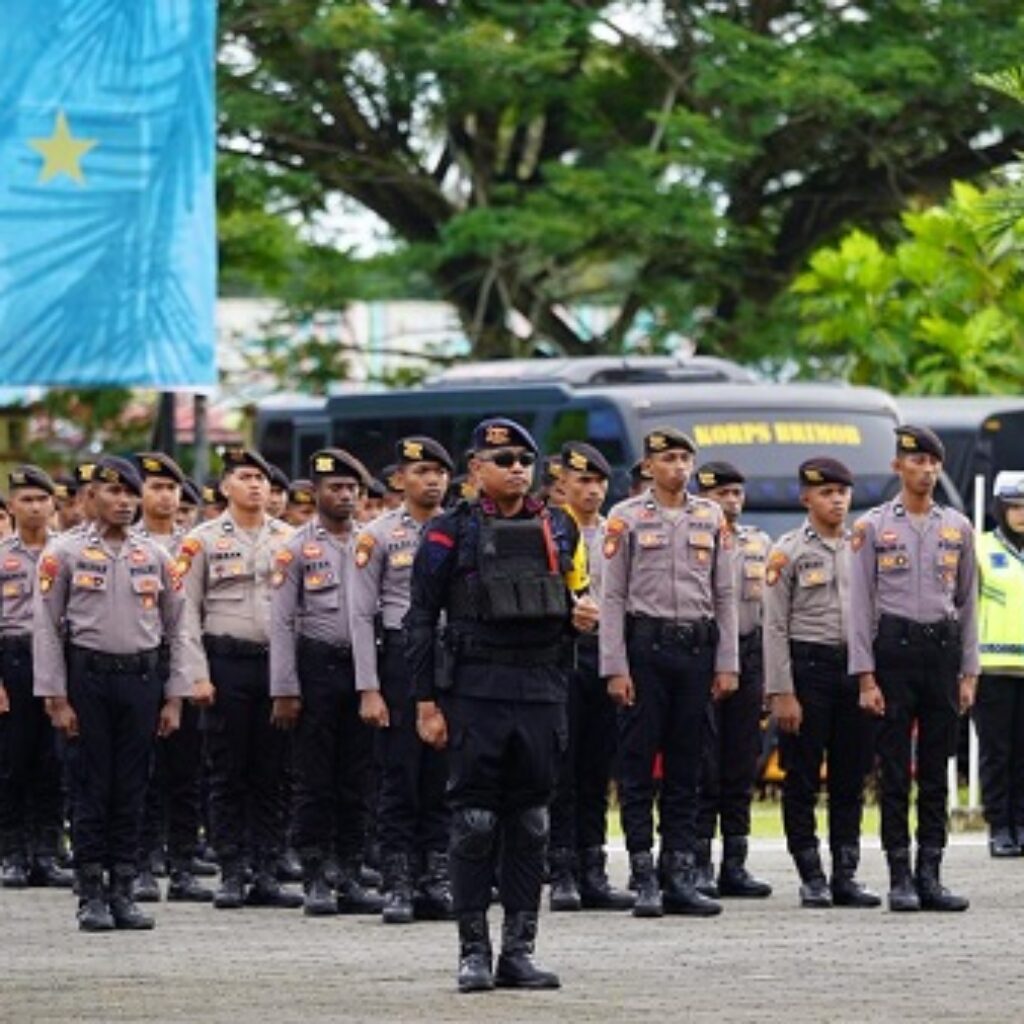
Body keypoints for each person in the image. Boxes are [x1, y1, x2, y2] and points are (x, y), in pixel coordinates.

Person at [405, 417, 598, 993]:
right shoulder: (448, 531)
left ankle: (518, 951)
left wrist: (580, 616)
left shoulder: (561, 527)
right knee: (474, 822)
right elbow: (419, 620)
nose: (517, 469)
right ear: (476, 469)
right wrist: (425, 703)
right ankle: (471, 952)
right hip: (475, 690)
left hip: (541, 688)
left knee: (532, 822)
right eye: (505, 459)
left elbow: (577, 596)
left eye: (525, 460)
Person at [33, 456, 187, 932]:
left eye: (130, 493)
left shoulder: (155, 555)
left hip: (141, 681)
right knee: (90, 788)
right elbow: (46, 627)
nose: (124, 502)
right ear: (90, 496)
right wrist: (55, 697)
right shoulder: (64, 552)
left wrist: (175, 695)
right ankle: (91, 892)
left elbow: (179, 629)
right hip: (88, 680)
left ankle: (123, 887)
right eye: (113, 492)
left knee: (132, 789)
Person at [601, 427, 738, 919]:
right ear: (649, 466)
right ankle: (642, 875)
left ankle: (679, 872)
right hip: (645, 648)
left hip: (696, 648)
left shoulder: (710, 515)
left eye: (685, 458)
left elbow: (725, 593)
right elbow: (611, 596)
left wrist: (727, 662)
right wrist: (614, 667)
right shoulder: (626, 517)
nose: (678, 467)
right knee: (638, 765)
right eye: (668, 459)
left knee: (689, 763)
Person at [850, 425, 978, 912]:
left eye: (932, 462)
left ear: (940, 468)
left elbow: (967, 604)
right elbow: (860, 606)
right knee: (894, 771)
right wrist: (865, 675)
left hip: (941, 653)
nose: (925, 470)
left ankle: (931, 872)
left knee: (935, 770)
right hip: (893, 652)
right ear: (897, 467)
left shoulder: (957, 527)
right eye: (915, 461)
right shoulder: (873, 527)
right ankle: (899, 874)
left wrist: (969, 672)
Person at [180, 448, 301, 910]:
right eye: (245, 477)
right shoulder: (203, 540)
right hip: (225, 663)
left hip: (275, 665)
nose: (256, 486)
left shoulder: (290, 539)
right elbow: (186, 613)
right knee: (227, 772)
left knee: (273, 772)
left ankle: (266, 869)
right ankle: (231, 870)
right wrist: (197, 674)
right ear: (225, 486)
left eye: (263, 479)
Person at [269, 447, 384, 917]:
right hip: (316, 667)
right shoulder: (295, 547)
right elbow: (279, 622)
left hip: (363, 667)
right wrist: (284, 688)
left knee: (358, 777)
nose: (345, 496)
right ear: (314, 492)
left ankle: (351, 872)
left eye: (352, 489)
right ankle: (316, 874)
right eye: (335, 487)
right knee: (314, 779)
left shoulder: (371, 543)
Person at [764, 458, 879, 908]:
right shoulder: (788, 551)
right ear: (805, 498)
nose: (836, 500)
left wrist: (873, 680)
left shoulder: (863, 546)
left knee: (851, 777)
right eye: (826, 492)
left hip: (855, 669)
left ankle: (845, 874)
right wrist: (782, 691)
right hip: (807, 670)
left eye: (842, 492)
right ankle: (810, 873)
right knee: (803, 776)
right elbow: (774, 627)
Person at [351, 437, 454, 924]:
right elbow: (359, 615)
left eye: (439, 471)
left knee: (443, 775)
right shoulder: (376, 535)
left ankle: (435, 877)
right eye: (421, 471)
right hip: (398, 658)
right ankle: (397, 880)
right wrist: (369, 687)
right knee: (400, 773)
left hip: (452, 656)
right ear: (399, 480)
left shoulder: (463, 528)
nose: (431, 480)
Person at [548, 442, 634, 913]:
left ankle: (592, 868)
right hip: (560, 656)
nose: (592, 490)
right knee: (562, 768)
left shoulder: (614, 534)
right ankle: (561, 870)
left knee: (597, 768)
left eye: (599, 481)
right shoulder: (547, 530)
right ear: (563, 483)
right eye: (583, 481)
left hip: (605, 654)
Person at [132, 452, 213, 904]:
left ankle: (182, 865)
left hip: (184, 663)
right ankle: (142, 864)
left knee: (185, 771)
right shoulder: (129, 541)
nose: (165, 495)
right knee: (143, 771)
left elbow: (193, 617)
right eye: (155, 487)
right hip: (142, 665)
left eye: (172, 487)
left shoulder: (192, 545)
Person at [693, 462, 772, 899]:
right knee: (704, 763)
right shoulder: (693, 541)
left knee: (742, 763)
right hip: (704, 657)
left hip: (750, 653)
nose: (731, 501)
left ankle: (735, 863)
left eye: (737, 493)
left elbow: (773, 611)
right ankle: (699, 862)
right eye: (721, 493)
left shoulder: (759, 543)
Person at [0, 466, 71, 889]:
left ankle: (47, 852)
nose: (34, 507)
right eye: (25, 499)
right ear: (11, 506)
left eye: (41, 499)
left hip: (60, 662)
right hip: (12, 661)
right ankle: (12, 853)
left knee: (54, 761)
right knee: (12, 763)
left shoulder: (68, 552)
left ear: (53, 504)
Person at [974, 471, 1024, 857]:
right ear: (1000, 509)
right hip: (991, 670)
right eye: (1014, 507)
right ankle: (999, 827)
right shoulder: (979, 549)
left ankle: (1021, 824)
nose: (1022, 514)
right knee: (997, 752)